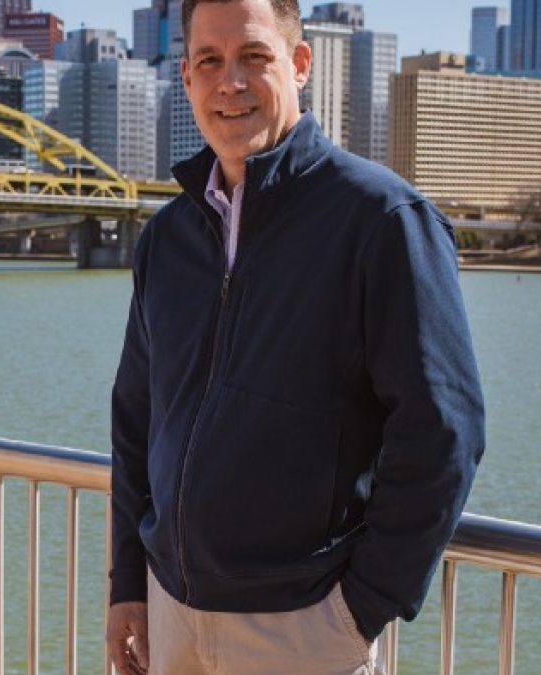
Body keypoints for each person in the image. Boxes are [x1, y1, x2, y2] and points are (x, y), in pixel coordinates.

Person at [105, 1, 485, 673]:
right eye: (209, 62)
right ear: (187, 79)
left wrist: (357, 609)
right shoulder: (166, 238)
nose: (231, 83)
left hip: (300, 628)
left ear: (299, 64)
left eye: (254, 57)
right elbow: (137, 419)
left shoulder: (382, 220)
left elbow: (442, 431)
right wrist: (128, 585)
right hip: (171, 615)